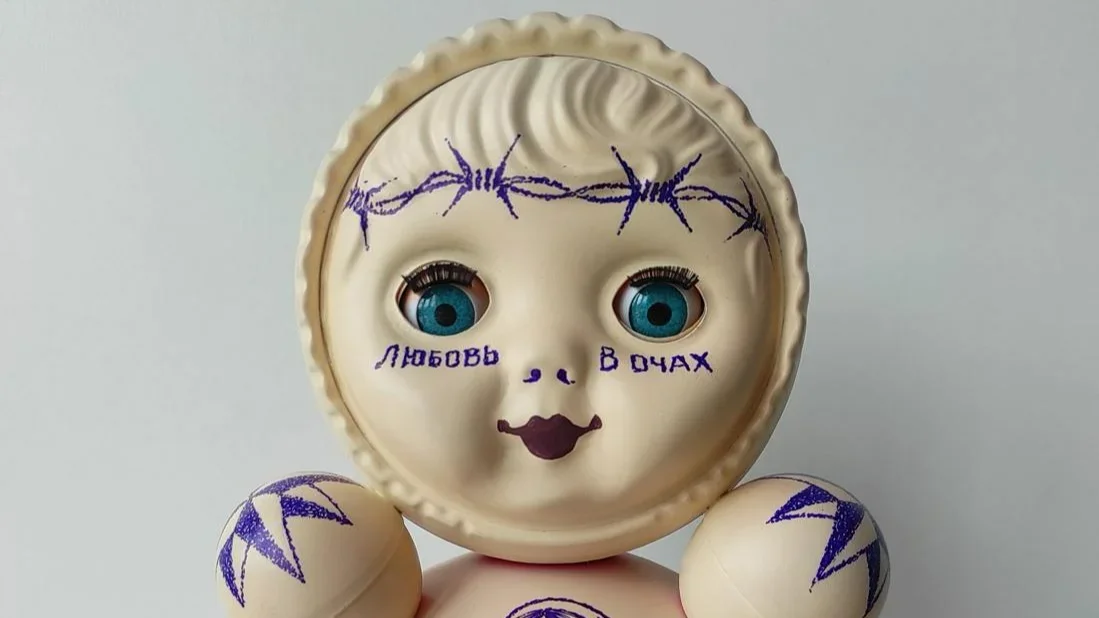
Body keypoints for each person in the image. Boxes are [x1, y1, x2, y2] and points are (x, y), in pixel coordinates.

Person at [214, 13, 889, 618]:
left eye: (659, 309)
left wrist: (783, 575)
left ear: (774, 336)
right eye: (443, 307)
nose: (547, 364)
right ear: (327, 333)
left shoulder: (746, 578)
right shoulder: (344, 566)